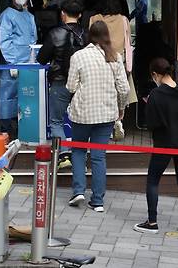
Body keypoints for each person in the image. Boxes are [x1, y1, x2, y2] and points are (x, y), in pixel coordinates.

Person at [66, 21, 130, 212]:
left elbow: (70, 86)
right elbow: (124, 88)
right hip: (106, 113)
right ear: (106, 36)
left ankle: (78, 191)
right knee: (98, 157)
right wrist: (121, 108)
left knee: (78, 151)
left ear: (89, 35)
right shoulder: (115, 57)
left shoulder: (79, 56)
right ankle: (98, 201)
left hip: (82, 113)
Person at [133, 58, 178, 234]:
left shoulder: (156, 95)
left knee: (153, 181)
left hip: (163, 143)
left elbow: (151, 123)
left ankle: (152, 222)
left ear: (155, 74)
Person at [37, 0, 87, 168]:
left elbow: (41, 58)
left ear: (63, 14)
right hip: (83, 84)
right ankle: (81, 156)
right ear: (80, 15)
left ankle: (64, 155)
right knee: (82, 121)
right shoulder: (86, 35)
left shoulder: (54, 33)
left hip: (60, 83)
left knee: (56, 121)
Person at [90, 0, 137, 139]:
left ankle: (105, 126)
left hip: (99, 59)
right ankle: (117, 120)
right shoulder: (124, 20)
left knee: (101, 91)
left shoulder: (93, 19)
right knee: (119, 91)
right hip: (119, 60)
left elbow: (91, 39)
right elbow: (128, 41)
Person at [0, 0, 38, 136]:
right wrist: (12, 62)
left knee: (26, 96)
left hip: (28, 63)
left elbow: (33, 39)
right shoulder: (6, 16)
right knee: (8, 96)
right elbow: (4, 41)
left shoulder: (29, 16)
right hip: (12, 64)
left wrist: (32, 59)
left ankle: (23, 128)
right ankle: (7, 129)